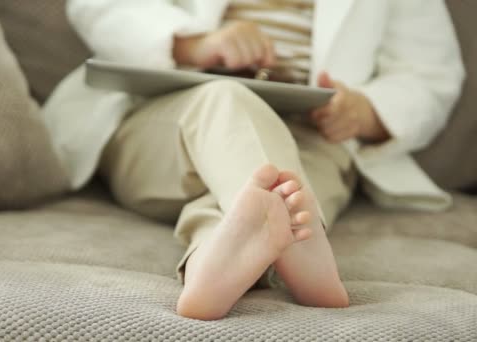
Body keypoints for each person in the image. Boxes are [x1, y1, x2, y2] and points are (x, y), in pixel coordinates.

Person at [43, 0, 465, 320]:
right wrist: (194, 43)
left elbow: (431, 73)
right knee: (230, 105)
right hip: (174, 114)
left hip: (312, 136)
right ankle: (302, 243)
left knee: (262, 200)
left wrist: (367, 110)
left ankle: (210, 260)